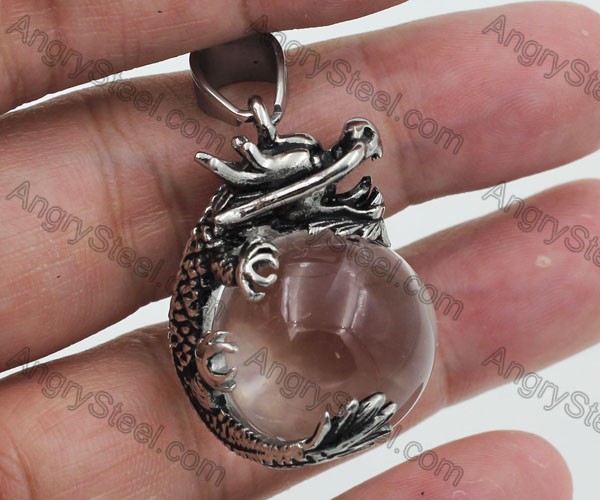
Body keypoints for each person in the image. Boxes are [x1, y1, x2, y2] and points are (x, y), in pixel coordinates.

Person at [1, 1, 598, 498]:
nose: (332, 172)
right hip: (231, 365)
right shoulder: (231, 232)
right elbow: (229, 256)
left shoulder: (311, 238)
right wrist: (258, 250)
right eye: (314, 172)